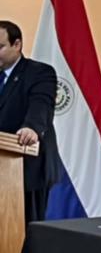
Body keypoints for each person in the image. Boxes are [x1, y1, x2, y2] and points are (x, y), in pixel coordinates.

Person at [0, 21, 59, 222]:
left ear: (17, 44)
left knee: (27, 234)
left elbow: (41, 104)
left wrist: (31, 127)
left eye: (0, 47)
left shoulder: (39, 72)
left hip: (28, 169)